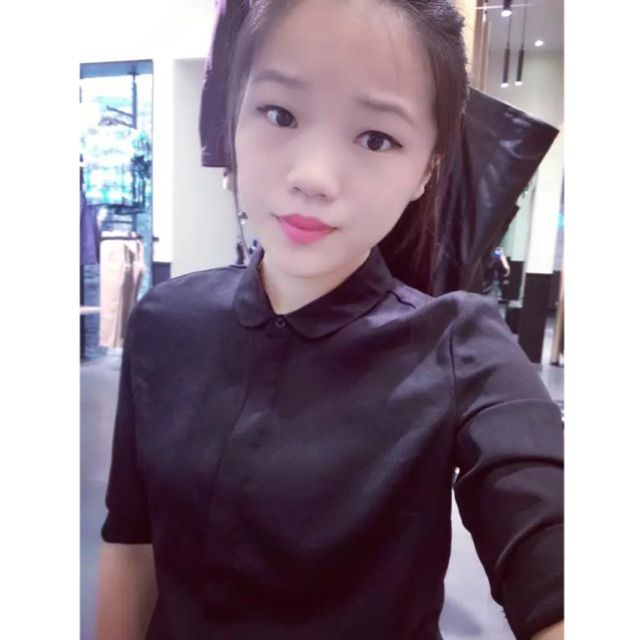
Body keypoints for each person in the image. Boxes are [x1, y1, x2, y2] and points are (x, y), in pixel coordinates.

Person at [95, 1, 564, 639]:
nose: (313, 177)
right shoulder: (164, 321)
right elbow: (132, 546)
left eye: (376, 138)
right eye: (279, 113)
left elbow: (552, 549)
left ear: (426, 169)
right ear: (233, 115)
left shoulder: (460, 347)